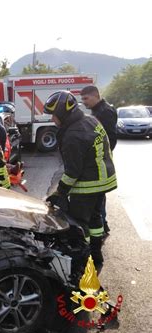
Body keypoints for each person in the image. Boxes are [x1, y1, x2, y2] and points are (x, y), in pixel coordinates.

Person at [44, 91, 117, 267]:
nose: (52, 119)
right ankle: (96, 254)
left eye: (54, 115)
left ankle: (82, 260)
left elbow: (72, 172)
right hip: (103, 180)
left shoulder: (72, 135)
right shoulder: (89, 120)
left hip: (88, 184)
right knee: (95, 218)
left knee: (79, 223)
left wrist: (60, 192)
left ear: (63, 113)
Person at [80, 85, 118, 234]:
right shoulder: (98, 110)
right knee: (98, 197)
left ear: (95, 95)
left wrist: (98, 154)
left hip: (100, 160)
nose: (83, 102)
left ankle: (101, 228)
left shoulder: (105, 112)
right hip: (99, 158)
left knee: (98, 195)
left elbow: (110, 139)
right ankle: (103, 224)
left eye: (85, 98)